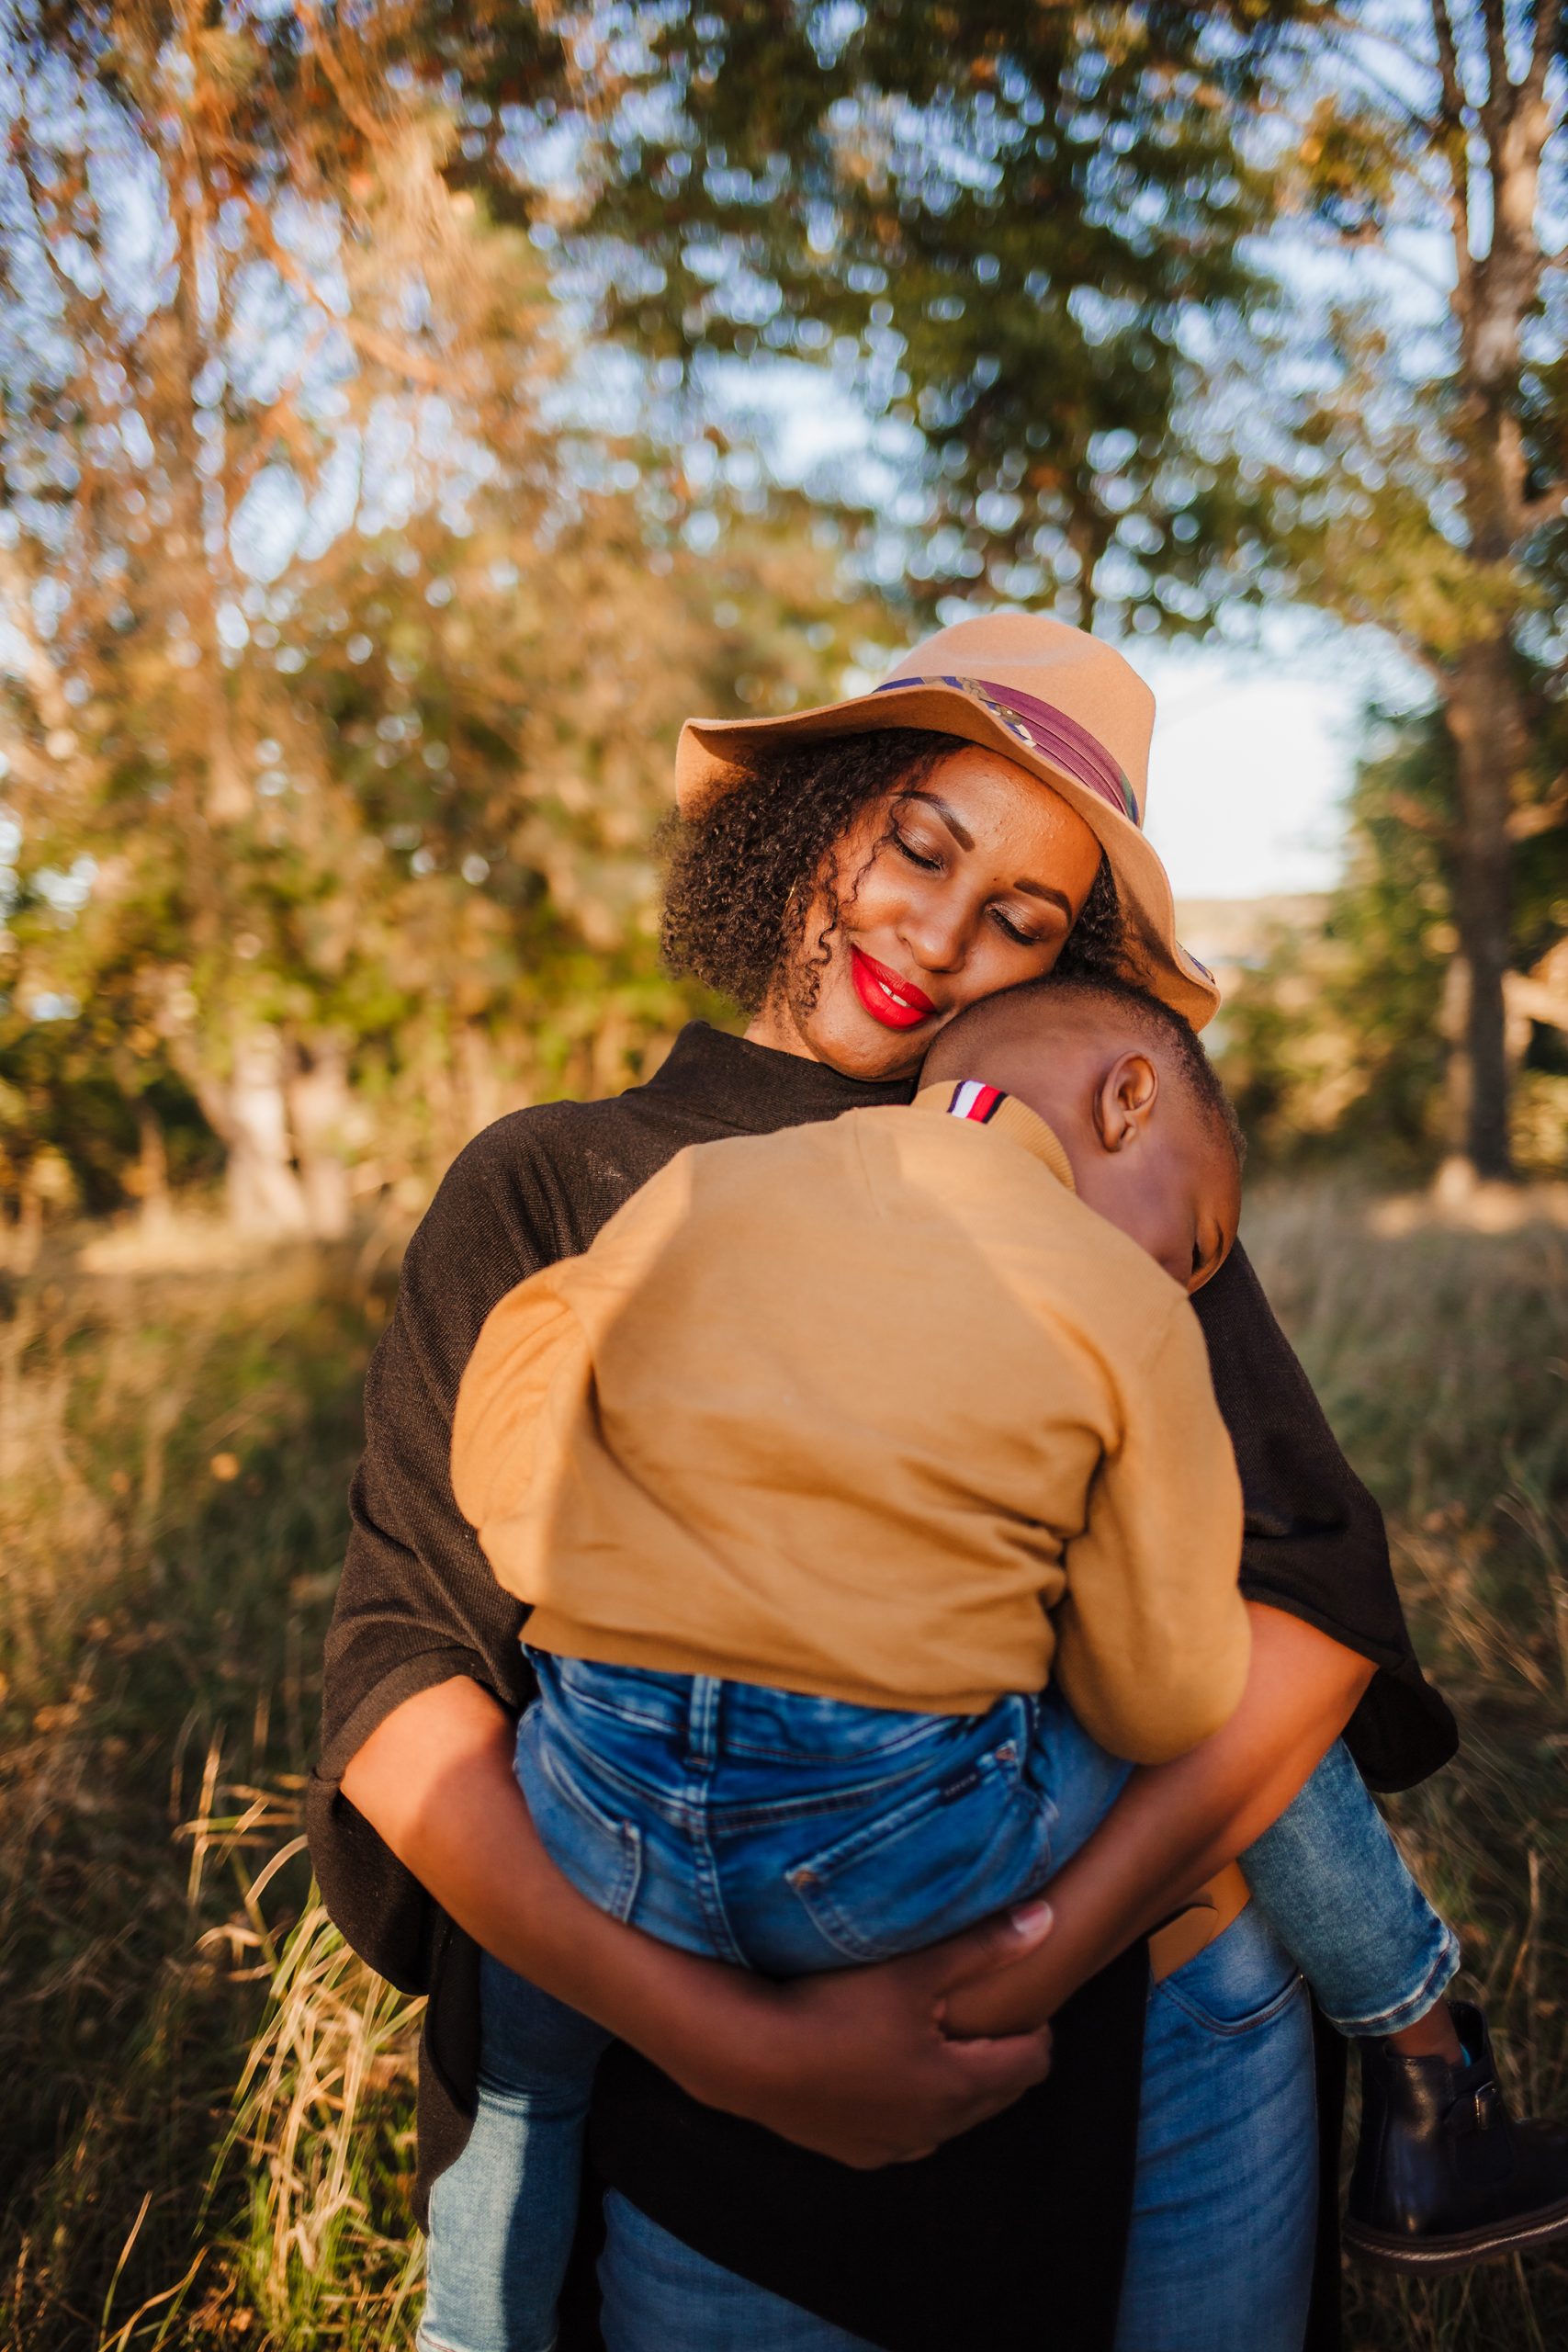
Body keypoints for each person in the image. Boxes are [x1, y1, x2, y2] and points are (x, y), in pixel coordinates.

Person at [313, 614, 1466, 2352]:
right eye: (919, 845)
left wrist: (1049, 1944)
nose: (936, 935)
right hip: (715, 2113)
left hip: (1172, 2046)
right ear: (810, 817)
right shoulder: (560, 1181)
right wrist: (739, 2046)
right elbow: (409, 1675)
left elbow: (1309, 1608)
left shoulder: (1090, 1184)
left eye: (1019, 918)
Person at [449, 974, 1568, 2349]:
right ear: (1128, 1094)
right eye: (1199, 1243)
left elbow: (515, 1392)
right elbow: (1160, 1693)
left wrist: (607, 1566)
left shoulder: (719, 1186)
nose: (1188, 1277)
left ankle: (470, 2313)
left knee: (524, 2068)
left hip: (600, 1841)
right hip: (890, 1878)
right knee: (1237, 1675)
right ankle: (1424, 2056)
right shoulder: (1123, 1302)